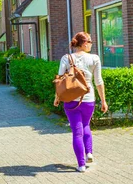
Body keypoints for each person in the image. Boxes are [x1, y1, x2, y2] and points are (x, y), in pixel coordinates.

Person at [54, 31, 108, 173]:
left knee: (77, 132)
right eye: (90, 42)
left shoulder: (66, 58)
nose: (91, 44)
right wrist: (103, 101)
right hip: (88, 99)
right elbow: (99, 82)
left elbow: (59, 80)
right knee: (86, 125)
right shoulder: (94, 58)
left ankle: (81, 165)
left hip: (70, 99)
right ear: (84, 43)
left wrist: (57, 98)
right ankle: (89, 152)